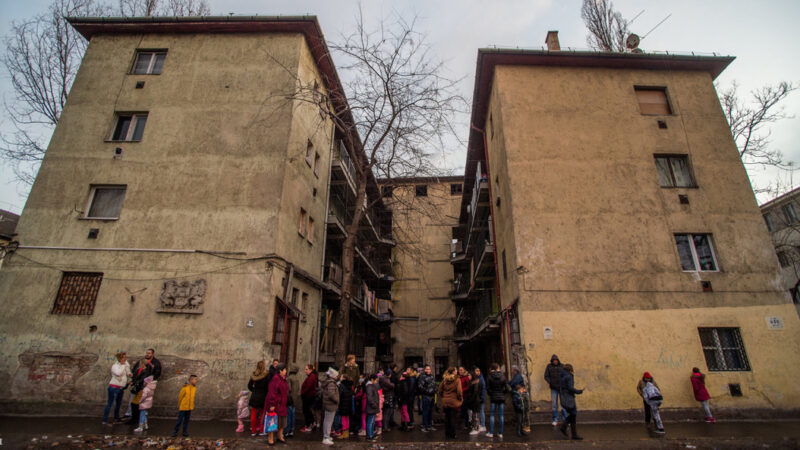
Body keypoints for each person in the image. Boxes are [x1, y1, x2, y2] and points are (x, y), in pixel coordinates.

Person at [127, 349, 162, 425]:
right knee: (134, 403)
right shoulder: (142, 362)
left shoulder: (155, 363)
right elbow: (135, 371)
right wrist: (133, 380)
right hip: (137, 386)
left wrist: (147, 382)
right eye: (147, 353)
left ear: (152, 354)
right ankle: (134, 418)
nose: (147, 354)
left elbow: (155, 374)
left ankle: (139, 421)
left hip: (144, 386)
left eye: (149, 353)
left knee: (139, 404)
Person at [102, 351, 131, 425]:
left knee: (118, 404)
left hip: (121, 388)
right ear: (120, 358)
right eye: (124, 357)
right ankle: (104, 420)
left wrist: (129, 373)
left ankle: (116, 418)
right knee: (110, 403)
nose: (125, 359)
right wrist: (124, 366)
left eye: (125, 357)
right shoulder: (115, 366)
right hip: (114, 387)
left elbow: (128, 372)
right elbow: (118, 373)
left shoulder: (125, 364)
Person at [264, 363, 289, 445]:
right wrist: (271, 404)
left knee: (282, 421)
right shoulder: (276, 379)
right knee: (273, 421)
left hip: (282, 404)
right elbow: (272, 392)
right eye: (285, 369)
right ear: (280, 371)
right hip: (276, 404)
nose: (286, 371)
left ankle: (280, 436)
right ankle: (270, 438)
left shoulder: (284, 379)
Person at [558, 364, 583, 440]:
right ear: (570, 370)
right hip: (569, 397)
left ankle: (572, 433)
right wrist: (579, 391)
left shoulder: (562, 376)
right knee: (573, 413)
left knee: (572, 414)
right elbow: (570, 388)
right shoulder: (569, 376)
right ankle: (565, 427)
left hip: (564, 397)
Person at [438, 367, 463, 439]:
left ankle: (447, 433)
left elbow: (440, 389)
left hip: (446, 401)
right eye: (456, 370)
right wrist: (460, 399)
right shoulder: (457, 380)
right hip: (454, 401)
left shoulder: (445, 380)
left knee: (447, 417)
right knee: (453, 418)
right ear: (453, 372)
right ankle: (453, 434)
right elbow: (459, 391)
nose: (457, 371)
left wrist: (443, 396)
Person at [486, 363, 508, 439]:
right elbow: (506, 388)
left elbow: (488, 388)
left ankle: (491, 432)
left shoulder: (489, 377)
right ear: (498, 368)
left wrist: (491, 394)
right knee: (501, 415)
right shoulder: (503, 376)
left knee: (492, 415)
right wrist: (502, 393)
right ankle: (500, 433)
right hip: (501, 397)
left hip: (493, 398)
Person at [247, 361, 270, 436]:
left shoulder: (254, 375)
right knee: (262, 414)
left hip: (255, 396)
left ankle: (253, 431)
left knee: (253, 414)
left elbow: (249, 385)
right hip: (263, 396)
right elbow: (268, 386)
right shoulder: (266, 375)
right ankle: (261, 430)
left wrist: (254, 390)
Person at [544, 354, 566, 426]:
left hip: (561, 388)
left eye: (556, 360)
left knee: (563, 404)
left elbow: (565, 375)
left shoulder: (562, 366)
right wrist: (550, 382)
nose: (555, 362)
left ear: (558, 360)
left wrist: (563, 382)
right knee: (554, 404)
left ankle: (565, 419)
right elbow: (546, 376)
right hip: (553, 388)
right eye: (554, 361)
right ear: (552, 361)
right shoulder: (549, 366)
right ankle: (555, 419)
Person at [321, 365, 340, 446]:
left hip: (328, 404)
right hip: (331, 404)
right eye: (336, 375)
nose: (337, 376)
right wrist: (337, 400)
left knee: (327, 421)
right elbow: (331, 394)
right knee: (328, 421)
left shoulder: (328, 382)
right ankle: (326, 437)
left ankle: (327, 436)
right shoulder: (331, 383)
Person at [509, 365, 528, 435]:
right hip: (519, 404)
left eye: (512, 370)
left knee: (520, 418)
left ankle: (520, 430)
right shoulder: (516, 376)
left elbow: (511, 383)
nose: (511, 371)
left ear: (515, 370)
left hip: (519, 403)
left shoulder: (518, 377)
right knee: (520, 418)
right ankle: (519, 430)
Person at [417, 365, 437, 432]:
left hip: (432, 396)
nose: (428, 370)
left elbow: (435, 385)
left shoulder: (432, 376)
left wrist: (435, 390)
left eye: (429, 369)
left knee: (431, 411)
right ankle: (424, 426)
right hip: (426, 396)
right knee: (425, 411)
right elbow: (420, 386)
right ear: (424, 370)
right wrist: (427, 391)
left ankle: (430, 425)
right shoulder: (422, 377)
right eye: (427, 369)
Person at [300, 364, 319, 432]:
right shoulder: (311, 376)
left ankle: (309, 425)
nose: (305, 371)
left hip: (308, 396)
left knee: (307, 411)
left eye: (306, 369)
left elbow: (308, 387)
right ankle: (311, 423)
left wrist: (302, 393)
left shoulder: (312, 377)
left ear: (310, 370)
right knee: (308, 411)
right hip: (308, 396)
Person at [336, 374, 354, 439]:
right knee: (347, 419)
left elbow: (340, 394)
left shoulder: (342, 385)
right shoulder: (350, 385)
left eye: (341, 377)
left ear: (343, 378)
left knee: (343, 419)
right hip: (348, 404)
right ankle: (347, 433)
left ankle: (344, 433)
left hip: (343, 404)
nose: (340, 378)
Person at [467, 368, 483, 435]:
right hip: (475, 400)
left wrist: (471, 399)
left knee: (475, 415)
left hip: (475, 400)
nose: (468, 377)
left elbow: (475, 392)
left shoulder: (475, 383)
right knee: (475, 414)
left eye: (469, 375)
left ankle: (476, 428)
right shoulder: (474, 382)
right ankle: (476, 427)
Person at [365, 374, 380, 442]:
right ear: (372, 380)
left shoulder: (371, 386)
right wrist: (374, 405)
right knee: (370, 422)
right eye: (376, 380)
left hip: (373, 407)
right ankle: (370, 436)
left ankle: (371, 434)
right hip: (372, 407)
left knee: (372, 421)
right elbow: (370, 398)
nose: (376, 382)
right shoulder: (369, 386)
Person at [285, 365, 298, 437]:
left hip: (289, 399)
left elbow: (288, 389)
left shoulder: (289, 378)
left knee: (288, 415)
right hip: (295, 399)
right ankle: (292, 430)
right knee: (293, 415)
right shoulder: (297, 378)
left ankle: (287, 430)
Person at [475, 366, 487, 432]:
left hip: (481, 398)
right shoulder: (479, 378)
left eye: (477, 371)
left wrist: (482, 397)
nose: (476, 372)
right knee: (479, 411)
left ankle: (482, 425)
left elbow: (483, 389)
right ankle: (480, 424)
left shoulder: (481, 379)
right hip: (480, 397)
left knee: (481, 411)